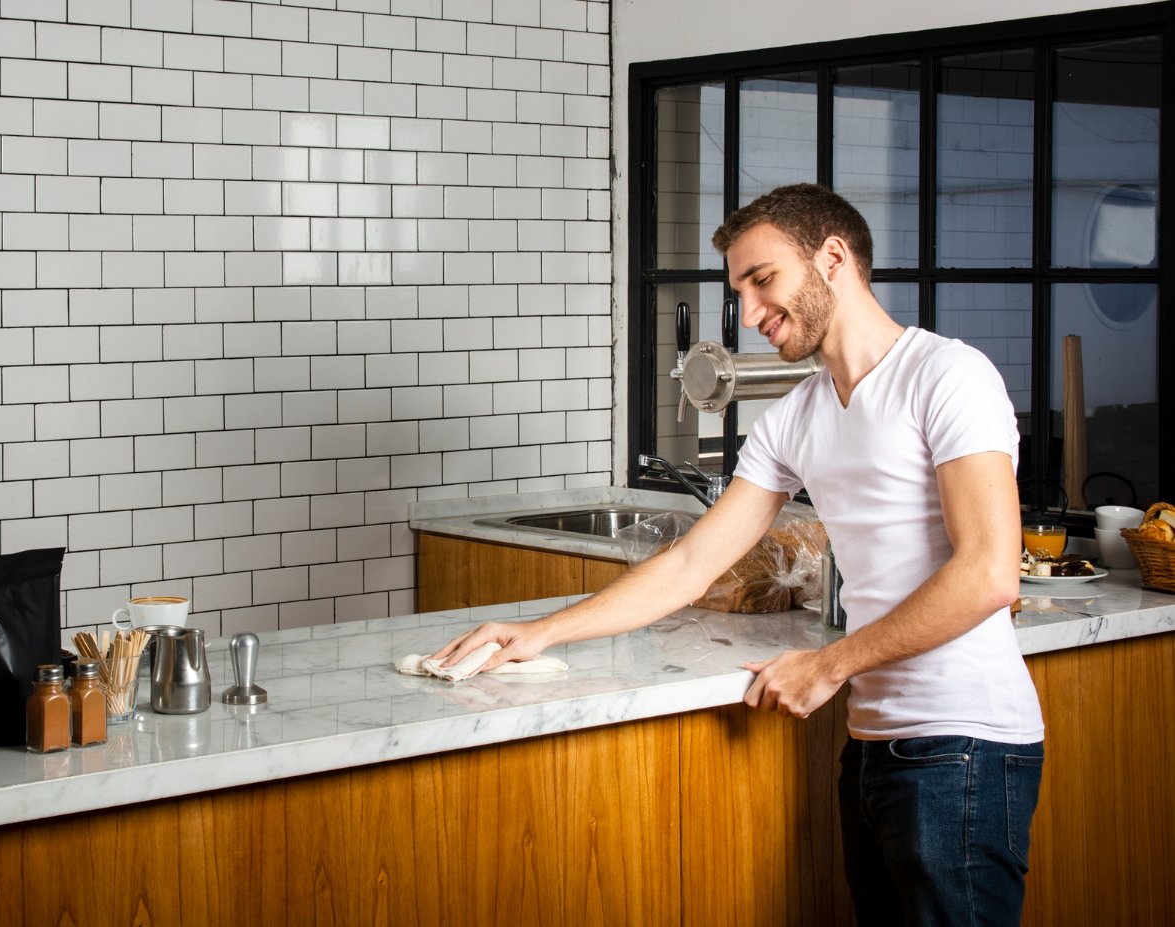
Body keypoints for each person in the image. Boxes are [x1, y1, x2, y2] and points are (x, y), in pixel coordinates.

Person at [431, 183, 1044, 926]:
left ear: (834, 258)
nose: (750, 313)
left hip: (966, 744)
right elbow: (693, 563)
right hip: (876, 747)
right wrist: (540, 633)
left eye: (763, 280)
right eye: (741, 290)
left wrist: (828, 663)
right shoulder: (799, 417)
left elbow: (987, 573)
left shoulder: (947, 375)